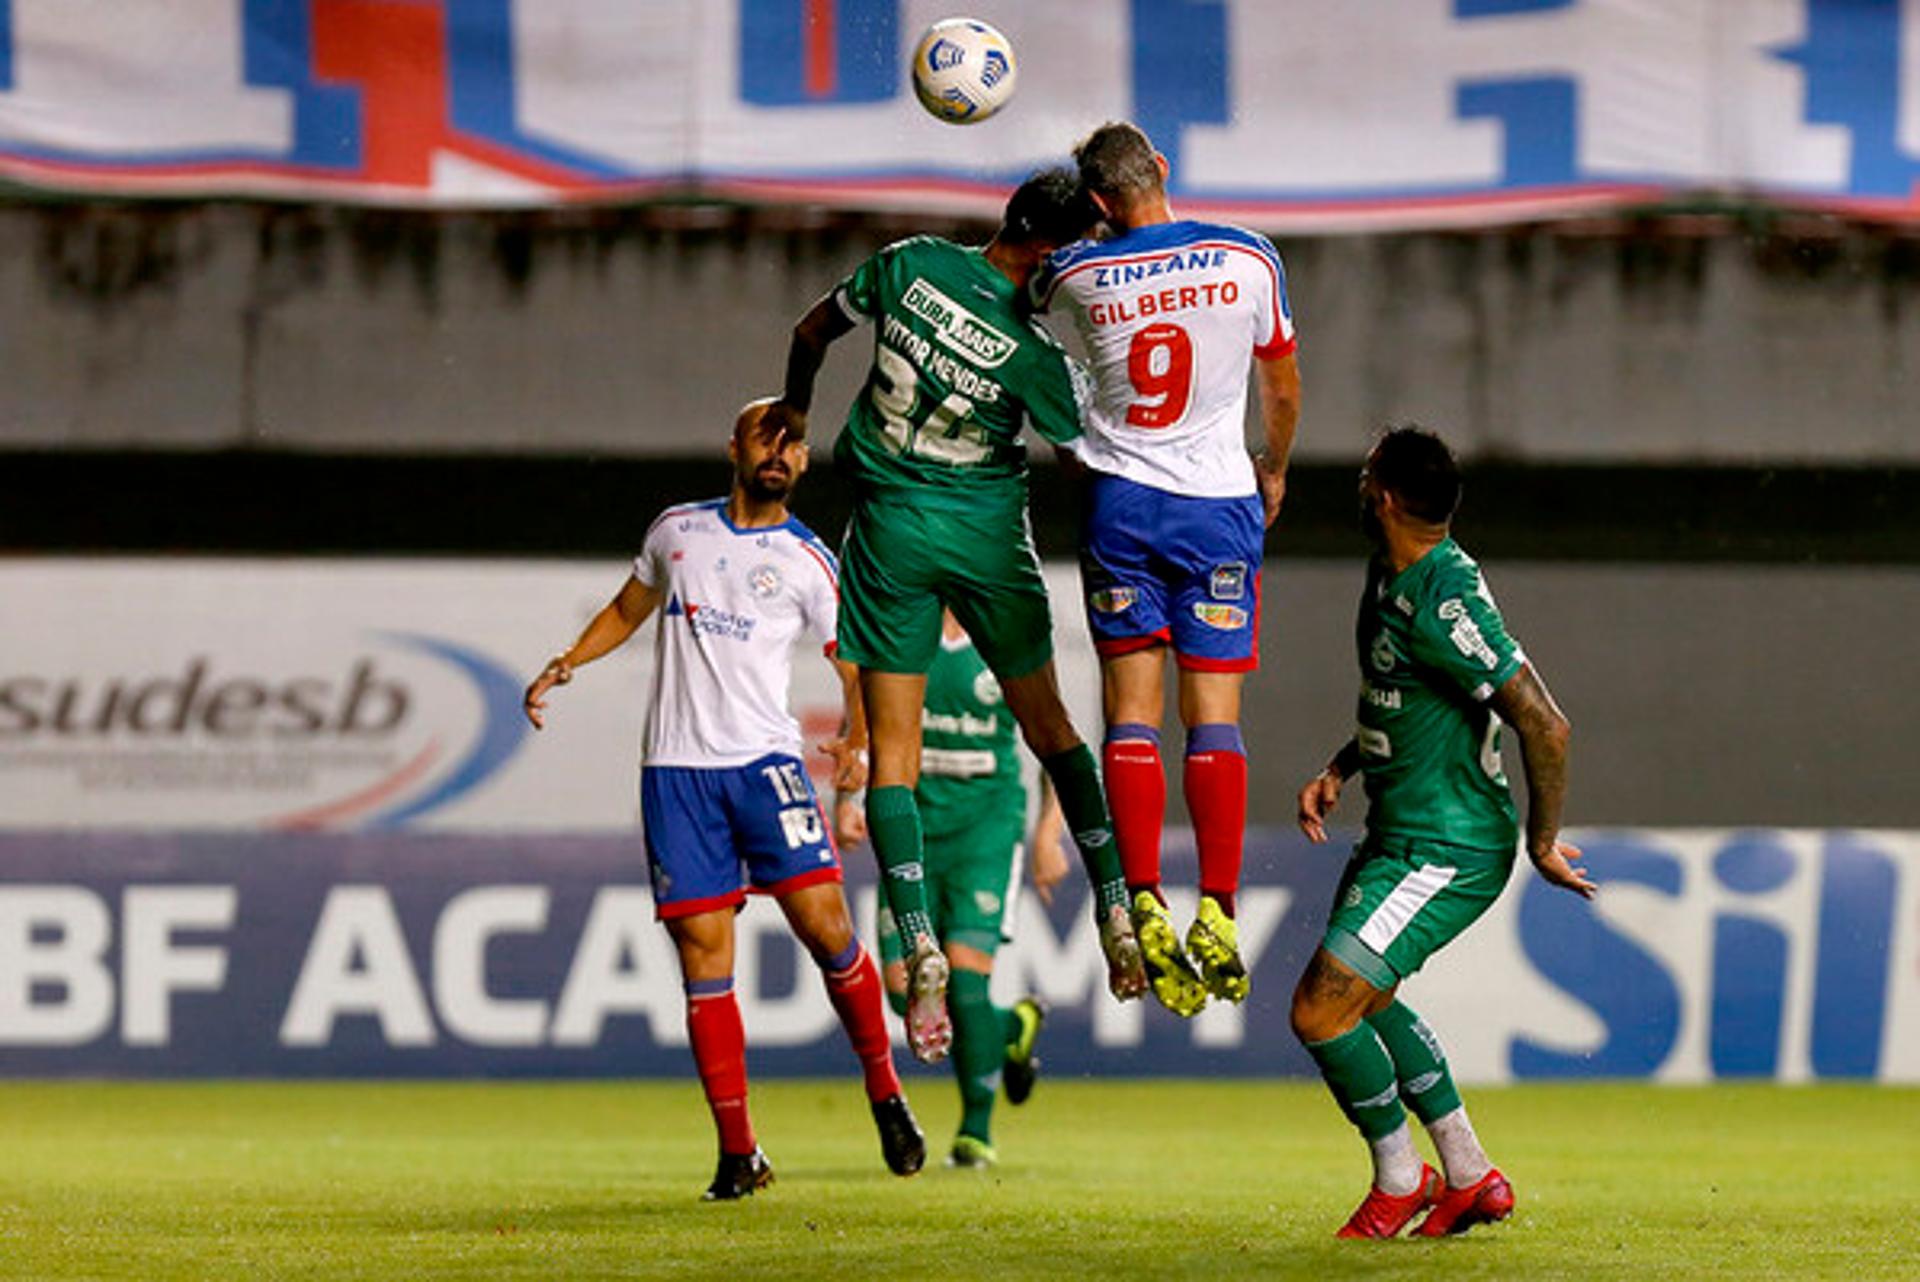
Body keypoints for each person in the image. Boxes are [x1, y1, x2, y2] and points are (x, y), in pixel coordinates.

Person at [770, 168, 1147, 1066]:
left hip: (890, 532)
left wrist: (794, 405)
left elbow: (811, 330)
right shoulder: (1034, 354)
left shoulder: (909, 265)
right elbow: (1089, 461)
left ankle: (916, 936)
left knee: (891, 760)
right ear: (1051, 251)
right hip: (984, 541)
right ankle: (1117, 906)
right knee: (1054, 732)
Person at [520, 399, 925, 1201]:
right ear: (733, 446)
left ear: (805, 463)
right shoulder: (676, 531)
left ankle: (885, 1089)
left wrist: (856, 735)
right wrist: (569, 660)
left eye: (794, 443)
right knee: (704, 964)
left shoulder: (808, 559)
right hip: (676, 774)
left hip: (763, 766)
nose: (779, 452)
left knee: (827, 929)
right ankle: (739, 1153)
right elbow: (630, 607)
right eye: (766, 437)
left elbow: (853, 666)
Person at [1290, 426, 1595, 1238]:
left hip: (1444, 848)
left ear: (1383, 496)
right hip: (1398, 831)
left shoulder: (1441, 597)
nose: (1357, 487)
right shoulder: (1395, 574)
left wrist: (1541, 840)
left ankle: (1402, 1176)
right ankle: (1468, 1174)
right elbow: (1408, 698)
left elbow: (1546, 724)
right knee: (1371, 993)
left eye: (1364, 476)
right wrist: (1341, 768)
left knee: (1321, 1012)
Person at [1032, 121, 1304, 1019]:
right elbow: (1282, 382)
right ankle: (1218, 909)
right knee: (1213, 718)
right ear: (1165, 172)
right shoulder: (1248, 257)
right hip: (1219, 508)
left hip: (1122, 508)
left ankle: (1143, 893)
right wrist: (1276, 462)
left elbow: (1016, 305)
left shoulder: (1075, 272)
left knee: (1132, 716)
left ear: (1101, 201)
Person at [834, 609, 1068, 1168]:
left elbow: (1054, 739)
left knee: (963, 988)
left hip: (986, 831)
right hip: (911, 826)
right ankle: (1013, 1026)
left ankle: (975, 1132)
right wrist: (846, 801)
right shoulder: (902, 629)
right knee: (903, 993)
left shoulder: (1007, 633)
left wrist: (1047, 835)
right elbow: (860, 723)